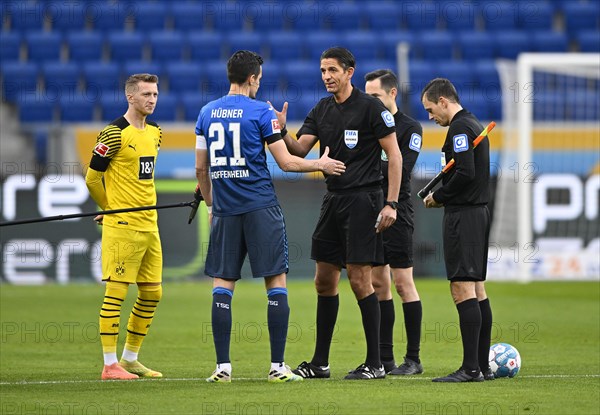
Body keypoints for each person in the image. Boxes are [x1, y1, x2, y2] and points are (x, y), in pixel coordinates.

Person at [194, 50, 346, 383]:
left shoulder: (205, 113)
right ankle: (278, 367)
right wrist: (320, 164)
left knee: (222, 285)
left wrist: (210, 206)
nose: (259, 83)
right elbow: (288, 163)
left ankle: (223, 367)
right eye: (259, 78)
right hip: (261, 206)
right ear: (252, 78)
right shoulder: (261, 111)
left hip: (225, 210)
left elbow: (200, 169)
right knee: (275, 283)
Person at [272, 47, 403, 380]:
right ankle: (320, 363)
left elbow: (395, 156)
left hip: (364, 201)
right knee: (323, 279)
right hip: (333, 200)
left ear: (349, 72)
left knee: (361, 279)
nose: (326, 76)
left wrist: (391, 203)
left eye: (332, 70)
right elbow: (300, 149)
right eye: (322, 71)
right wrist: (283, 131)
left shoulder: (371, 108)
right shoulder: (322, 109)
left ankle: (375, 363)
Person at [85, 73, 164, 380]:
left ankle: (130, 358)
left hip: (150, 224)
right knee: (116, 293)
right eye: (146, 94)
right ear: (131, 97)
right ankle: (109, 365)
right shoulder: (113, 133)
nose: (152, 99)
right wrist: (110, 209)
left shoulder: (156, 132)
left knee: (153, 293)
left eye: (155, 94)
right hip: (123, 225)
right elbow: (92, 178)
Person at [420, 78, 494, 382]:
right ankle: (482, 366)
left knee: (462, 287)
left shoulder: (460, 128)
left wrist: (439, 197)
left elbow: (465, 173)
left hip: (464, 216)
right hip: (477, 214)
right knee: (476, 288)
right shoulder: (472, 123)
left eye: (430, 109)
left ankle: (471, 368)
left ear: (443, 101)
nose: (429, 116)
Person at [364, 69, 424, 376]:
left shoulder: (410, 128)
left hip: (397, 210)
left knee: (403, 283)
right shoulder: (366, 124)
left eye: (374, 95)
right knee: (378, 284)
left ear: (392, 94)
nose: (369, 101)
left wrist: (374, 163)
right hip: (369, 211)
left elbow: (403, 165)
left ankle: (413, 359)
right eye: (367, 96)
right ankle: (384, 360)